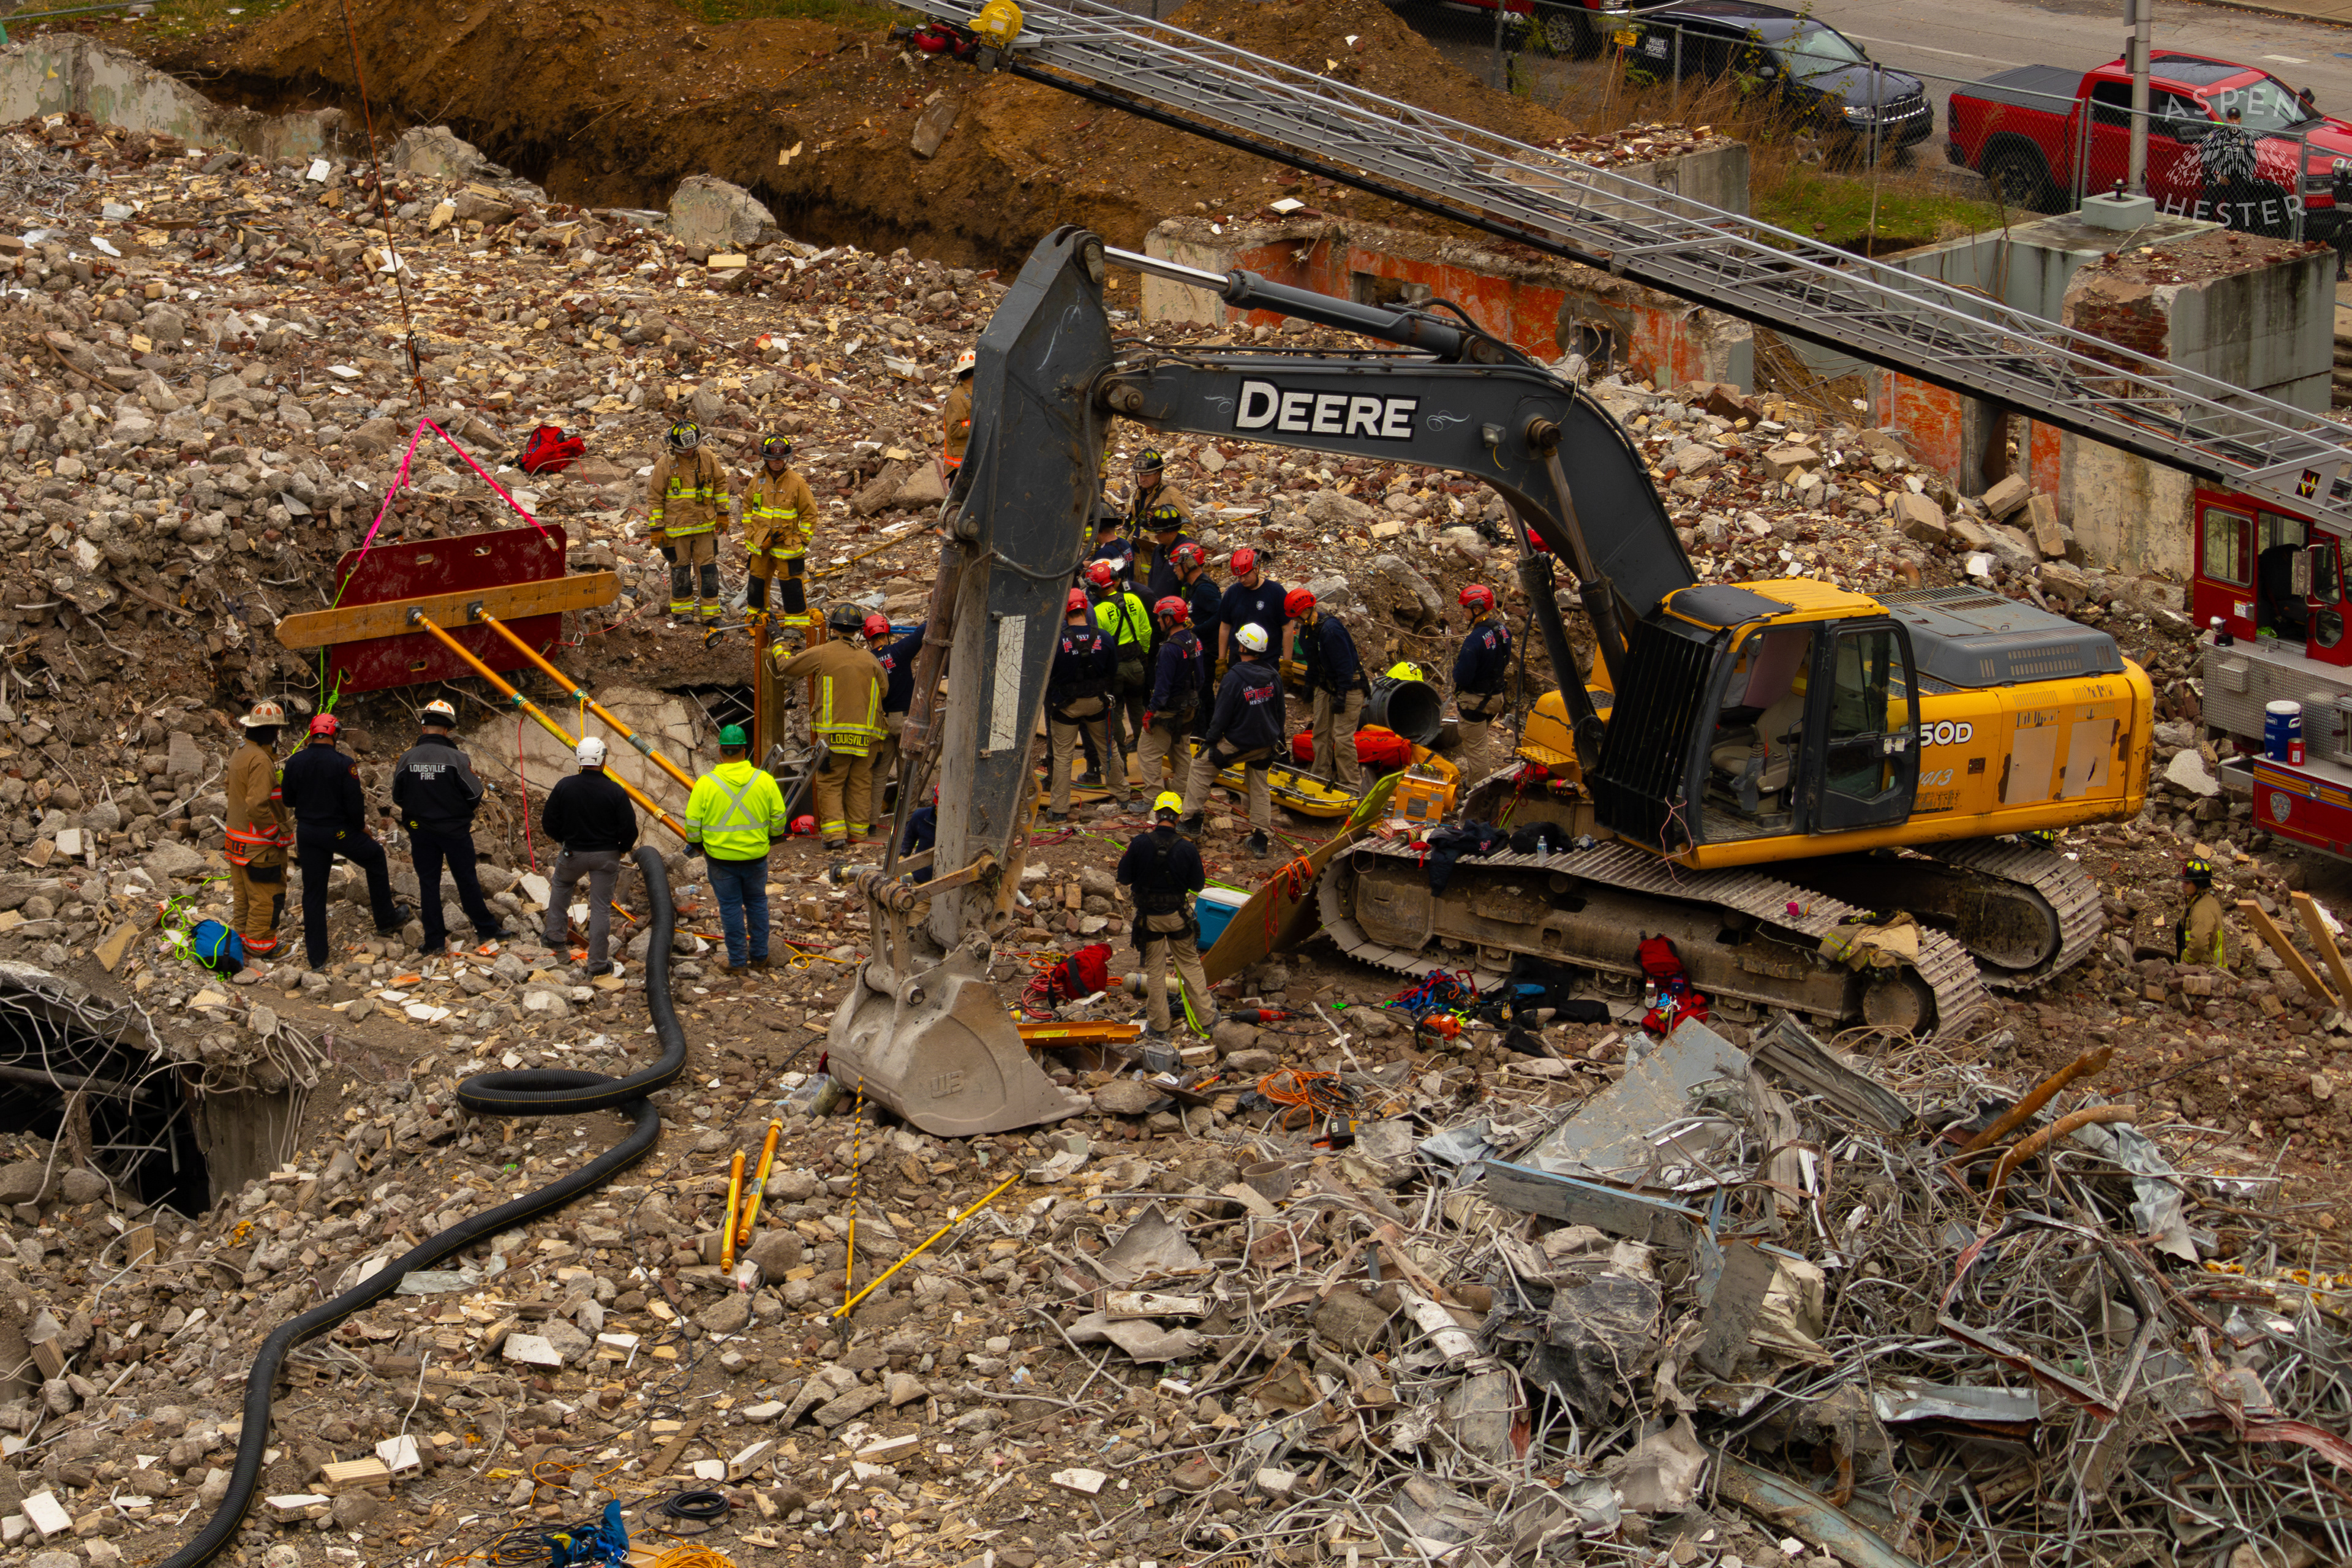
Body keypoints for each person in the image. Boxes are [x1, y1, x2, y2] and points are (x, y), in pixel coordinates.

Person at [278, 713, 411, 971]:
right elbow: (353, 805)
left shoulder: (295, 761)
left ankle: (317, 958)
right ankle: (385, 919)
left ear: (311, 734)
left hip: (307, 832)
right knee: (374, 856)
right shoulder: (344, 763)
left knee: (314, 892)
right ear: (335, 735)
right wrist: (362, 828)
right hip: (337, 831)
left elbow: (288, 800)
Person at [392, 698, 512, 958]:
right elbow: (475, 794)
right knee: (466, 879)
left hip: (420, 830)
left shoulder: (406, 759)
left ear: (424, 728)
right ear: (448, 730)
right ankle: (486, 929)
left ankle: (434, 941)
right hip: (454, 831)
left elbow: (398, 796)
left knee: (428, 884)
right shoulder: (457, 758)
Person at [772, 604, 889, 849]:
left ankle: (836, 837)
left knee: (831, 782)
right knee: (860, 784)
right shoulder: (870, 659)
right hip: (869, 739)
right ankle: (858, 836)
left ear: (833, 628)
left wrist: (778, 641)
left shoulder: (823, 652)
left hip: (834, 737)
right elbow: (884, 691)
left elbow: (786, 667)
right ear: (858, 631)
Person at [684, 725, 789, 973]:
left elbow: (691, 825)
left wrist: (700, 847)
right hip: (755, 856)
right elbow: (779, 819)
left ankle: (738, 963)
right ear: (744, 751)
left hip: (720, 860)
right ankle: (761, 958)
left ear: (720, 751)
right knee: (757, 904)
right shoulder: (764, 780)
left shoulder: (705, 784)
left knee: (730, 908)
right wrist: (771, 838)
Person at [1117, 791, 1215, 1041]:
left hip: (1148, 918)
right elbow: (1198, 886)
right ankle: (1207, 1019)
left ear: (1157, 814)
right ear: (1179, 817)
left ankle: (1159, 1026)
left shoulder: (1139, 843)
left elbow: (1124, 878)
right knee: (1190, 965)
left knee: (1155, 972)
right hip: (1177, 917)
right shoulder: (1186, 848)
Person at [539, 736, 639, 976]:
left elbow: (549, 821)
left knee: (562, 886)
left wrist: (563, 840)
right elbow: (629, 828)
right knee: (602, 908)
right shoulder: (615, 791)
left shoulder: (565, 786)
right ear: (603, 759)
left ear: (579, 759)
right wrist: (622, 848)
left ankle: (555, 937)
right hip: (606, 855)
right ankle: (596, 965)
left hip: (573, 852)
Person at [1186, 621, 1283, 857]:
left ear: (1242, 647)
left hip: (1239, 743)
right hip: (1265, 743)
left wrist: (1209, 742)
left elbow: (1220, 718)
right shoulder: (1273, 675)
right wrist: (1279, 740)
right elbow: (1280, 712)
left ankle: (1191, 821)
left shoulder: (1234, 678)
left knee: (1200, 767)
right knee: (1259, 784)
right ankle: (1260, 838)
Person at [223, 699, 293, 961]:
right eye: (277, 732)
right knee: (266, 897)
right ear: (273, 732)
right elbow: (256, 805)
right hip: (259, 847)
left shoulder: (241, 751)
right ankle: (262, 946)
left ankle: (243, 941)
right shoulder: (261, 760)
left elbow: (233, 789)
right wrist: (275, 833)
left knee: (243, 898)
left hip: (237, 844)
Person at [1047, 586, 1121, 821]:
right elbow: (1113, 670)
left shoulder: (1058, 641)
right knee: (1108, 749)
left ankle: (1059, 810)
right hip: (1097, 703)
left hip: (1066, 706)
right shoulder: (1104, 637)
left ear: (1065, 612)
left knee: (1063, 756)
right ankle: (1124, 795)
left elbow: (1050, 675)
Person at [647, 419, 729, 626]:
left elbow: (720, 484)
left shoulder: (707, 457)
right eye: (684, 449)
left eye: (693, 448)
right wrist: (657, 527)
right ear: (673, 446)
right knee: (680, 571)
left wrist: (723, 513)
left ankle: (711, 613)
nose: (689, 452)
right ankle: (683, 612)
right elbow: (655, 497)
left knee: (708, 571)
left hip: (705, 526)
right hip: (676, 530)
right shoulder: (665, 464)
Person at [1090, 560, 1154, 807]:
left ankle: (1123, 766)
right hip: (1137, 665)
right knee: (1138, 710)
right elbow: (1146, 631)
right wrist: (1143, 657)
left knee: (1115, 715)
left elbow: (1100, 645)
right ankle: (1148, 763)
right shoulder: (1135, 600)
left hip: (1115, 669)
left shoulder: (1097, 611)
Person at [741, 434, 816, 630]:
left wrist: (802, 540)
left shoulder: (797, 483)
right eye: (773, 459)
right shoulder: (757, 481)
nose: (777, 462)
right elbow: (747, 508)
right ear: (766, 458)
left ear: (787, 458)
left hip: (788, 547)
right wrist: (750, 534)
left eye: (781, 458)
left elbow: (810, 514)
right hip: (761, 545)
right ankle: (757, 624)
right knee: (756, 582)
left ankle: (796, 628)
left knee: (792, 587)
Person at [1294, 588, 1367, 790]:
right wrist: (1309, 684)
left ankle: (1351, 785)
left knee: (1343, 738)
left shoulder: (1331, 630)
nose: (1296, 622)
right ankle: (1319, 777)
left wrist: (1342, 695)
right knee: (1320, 733)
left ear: (1307, 611)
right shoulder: (1307, 630)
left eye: (1297, 617)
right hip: (1326, 684)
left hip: (1349, 684)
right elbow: (1312, 660)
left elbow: (1345, 666)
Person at [1138, 595, 1207, 800]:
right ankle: (1181, 793)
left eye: (1160, 617)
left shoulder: (1169, 649)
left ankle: (1153, 798)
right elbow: (1201, 678)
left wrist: (1151, 712)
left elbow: (1162, 688)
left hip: (1168, 710)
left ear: (1169, 619)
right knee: (1182, 751)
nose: (1158, 621)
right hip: (1188, 708)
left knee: (1148, 751)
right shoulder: (1195, 640)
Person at [868, 616, 925, 831]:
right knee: (908, 774)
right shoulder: (900, 651)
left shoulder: (868, 661)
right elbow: (923, 631)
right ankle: (907, 823)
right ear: (887, 634)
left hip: (882, 724)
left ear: (868, 637)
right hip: (905, 722)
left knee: (878, 775)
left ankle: (872, 823)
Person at [1453, 583, 1514, 778]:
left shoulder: (1474, 640)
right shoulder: (1503, 630)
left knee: (1478, 753)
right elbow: (1505, 660)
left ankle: (1479, 799)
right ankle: (1472, 786)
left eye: (1465, 607)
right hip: (1496, 698)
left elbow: (1462, 676)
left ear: (1477, 609)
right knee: (1477, 746)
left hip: (1475, 702)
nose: (1463, 611)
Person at [1216, 546, 1289, 672]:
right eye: (1239, 577)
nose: (1242, 580)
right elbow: (1225, 627)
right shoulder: (1233, 592)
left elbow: (1287, 628)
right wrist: (1222, 660)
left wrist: (1287, 664)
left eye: (1245, 575)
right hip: (1238, 664)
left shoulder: (1276, 592)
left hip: (1268, 664)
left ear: (1256, 568)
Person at [1139, 503, 1199, 606]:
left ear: (1170, 531)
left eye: (1158, 533)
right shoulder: (1159, 550)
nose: (1156, 537)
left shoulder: (1187, 552)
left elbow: (1192, 588)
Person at [1121, 448, 1190, 537]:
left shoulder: (1172, 496)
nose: (1142, 479)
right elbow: (1130, 522)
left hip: (1155, 550)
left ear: (1158, 474)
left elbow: (1189, 529)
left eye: (1147, 475)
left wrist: (1169, 544)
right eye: (1140, 474)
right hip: (1134, 548)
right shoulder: (1137, 494)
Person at [1169, 541, 1221, 656]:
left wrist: (1196, 629)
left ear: (1188, 564)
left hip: (1209, 651)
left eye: (1176, 566)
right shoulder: (1190, 587)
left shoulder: (1204, 590)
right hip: (1198, 648)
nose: (1174, 570)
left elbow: (1220, 616)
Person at [2175, 857, 2228, 967]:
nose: (2182, 885)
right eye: (2183, 881)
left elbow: (2199, 943)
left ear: (2199, 884)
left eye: (2187, 882)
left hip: (2207, 971)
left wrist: (2186, 961)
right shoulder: (2199, 901)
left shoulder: (2202, 908)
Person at [943, 347, 976, 480]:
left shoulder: (974, 392)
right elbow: (955, 429)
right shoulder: (957, 398)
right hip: (960, 464)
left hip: (968, 458)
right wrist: (978, 424)